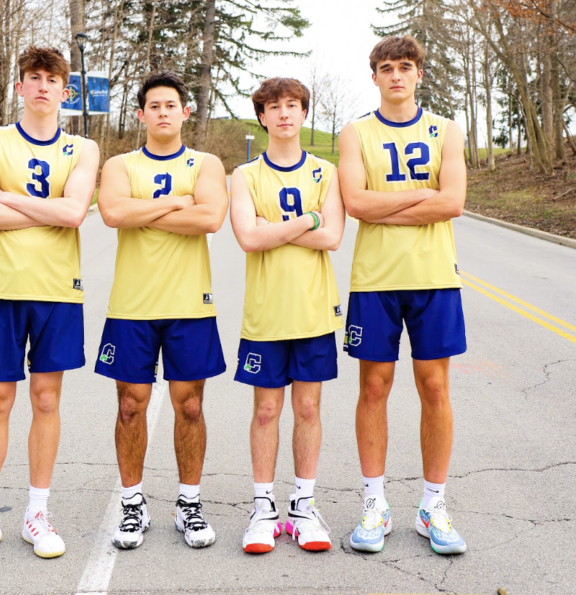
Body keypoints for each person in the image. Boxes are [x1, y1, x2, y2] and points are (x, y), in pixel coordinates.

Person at [0, 46, 99, 568]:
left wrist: (9, 199)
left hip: (57, 291)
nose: (42, 87)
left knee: (47, 400)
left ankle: (38, 513)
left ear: (65, 90)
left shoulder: (83, 148)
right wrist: (45, 211)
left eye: (51, 80)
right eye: (33, 78)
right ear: (20, 87)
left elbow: (75, 213)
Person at [337, 35, 468, 555]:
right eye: (386, 67)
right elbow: (355, 203)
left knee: (435, 388)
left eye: (405, 67)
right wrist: (420, 194)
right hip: (375, 279)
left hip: (434, 276)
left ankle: (432, 505)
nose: (396, 75)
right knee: (374, 387)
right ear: (374, 76)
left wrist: (386, 202)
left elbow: (453, 202)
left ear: (419, 75)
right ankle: (375, 503)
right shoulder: (355, 133)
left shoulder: (446, 130)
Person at [95, 71, 228, 550]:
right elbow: (112, 213)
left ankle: (188, 504)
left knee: (189, 406)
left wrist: (144, 208)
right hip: (132, 305)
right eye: (154, 105)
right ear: (141, 114)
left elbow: (211, 218)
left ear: (185, 112)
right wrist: (177, 202)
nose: (164, 112)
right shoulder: (119, 165)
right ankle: (133, 505)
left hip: (190, 305)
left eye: (172, 105)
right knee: (131, 406)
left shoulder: (206, 163)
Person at [229, 78, 345, 554]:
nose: (283, 114)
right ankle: (263, 507)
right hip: (266, 314)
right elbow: (248, 239)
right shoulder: (245, 175)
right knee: (267, 409)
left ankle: (303, 504)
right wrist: (308, 220)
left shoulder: (326, 172)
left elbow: (333, 236)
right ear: (261, 116)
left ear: (303, 113)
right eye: (273, 107)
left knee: (309, 408)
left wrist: (274, 226)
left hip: (314, 312)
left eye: (292, 106)